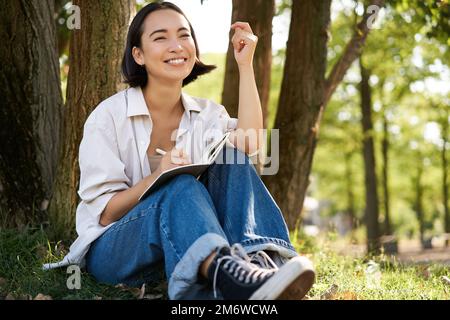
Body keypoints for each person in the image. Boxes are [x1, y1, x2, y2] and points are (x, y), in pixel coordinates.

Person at [44, 1, 315, 300]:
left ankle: (258, 264)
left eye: (184, 36)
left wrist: (245, 64)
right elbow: (106, 215)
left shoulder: (206, 113)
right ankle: (230, 277)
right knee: (180, 184)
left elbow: (250, 142)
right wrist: (159, 176)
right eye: (160, 37)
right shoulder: (108, 117)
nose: (176, 45)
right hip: (116, 251)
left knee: (230, 156)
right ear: (139, 54)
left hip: (180, 248)